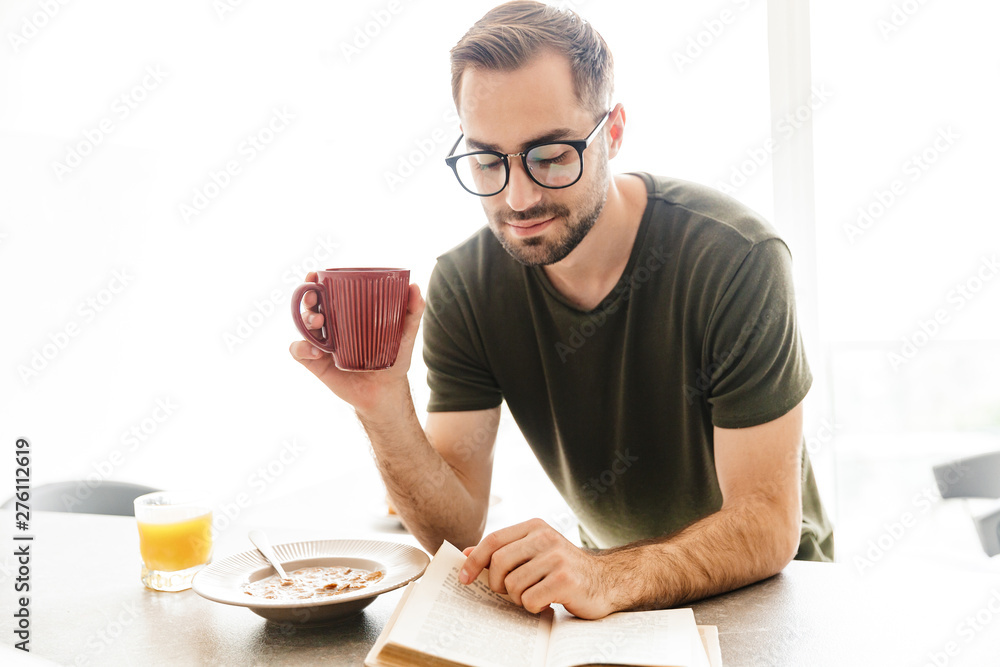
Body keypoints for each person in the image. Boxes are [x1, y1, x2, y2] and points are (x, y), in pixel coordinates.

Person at [290, 0, 833, 620]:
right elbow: (455, 529)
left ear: (614, 132)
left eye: (550, 155)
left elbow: (767, 523)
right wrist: (383, 408)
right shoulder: (466, 286)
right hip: (616, 603)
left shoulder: (735, 259)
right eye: (487, 160)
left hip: (772, 598)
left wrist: (604, 574)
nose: (519, 199)